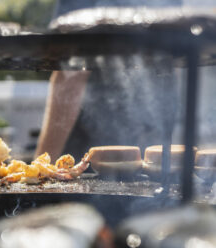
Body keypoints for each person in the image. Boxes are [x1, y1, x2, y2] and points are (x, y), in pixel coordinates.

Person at [35, 0, 189, 162]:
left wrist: (41, 166)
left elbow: (71, 75)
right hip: (149, 147)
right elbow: (170, 67)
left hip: (91, 156)